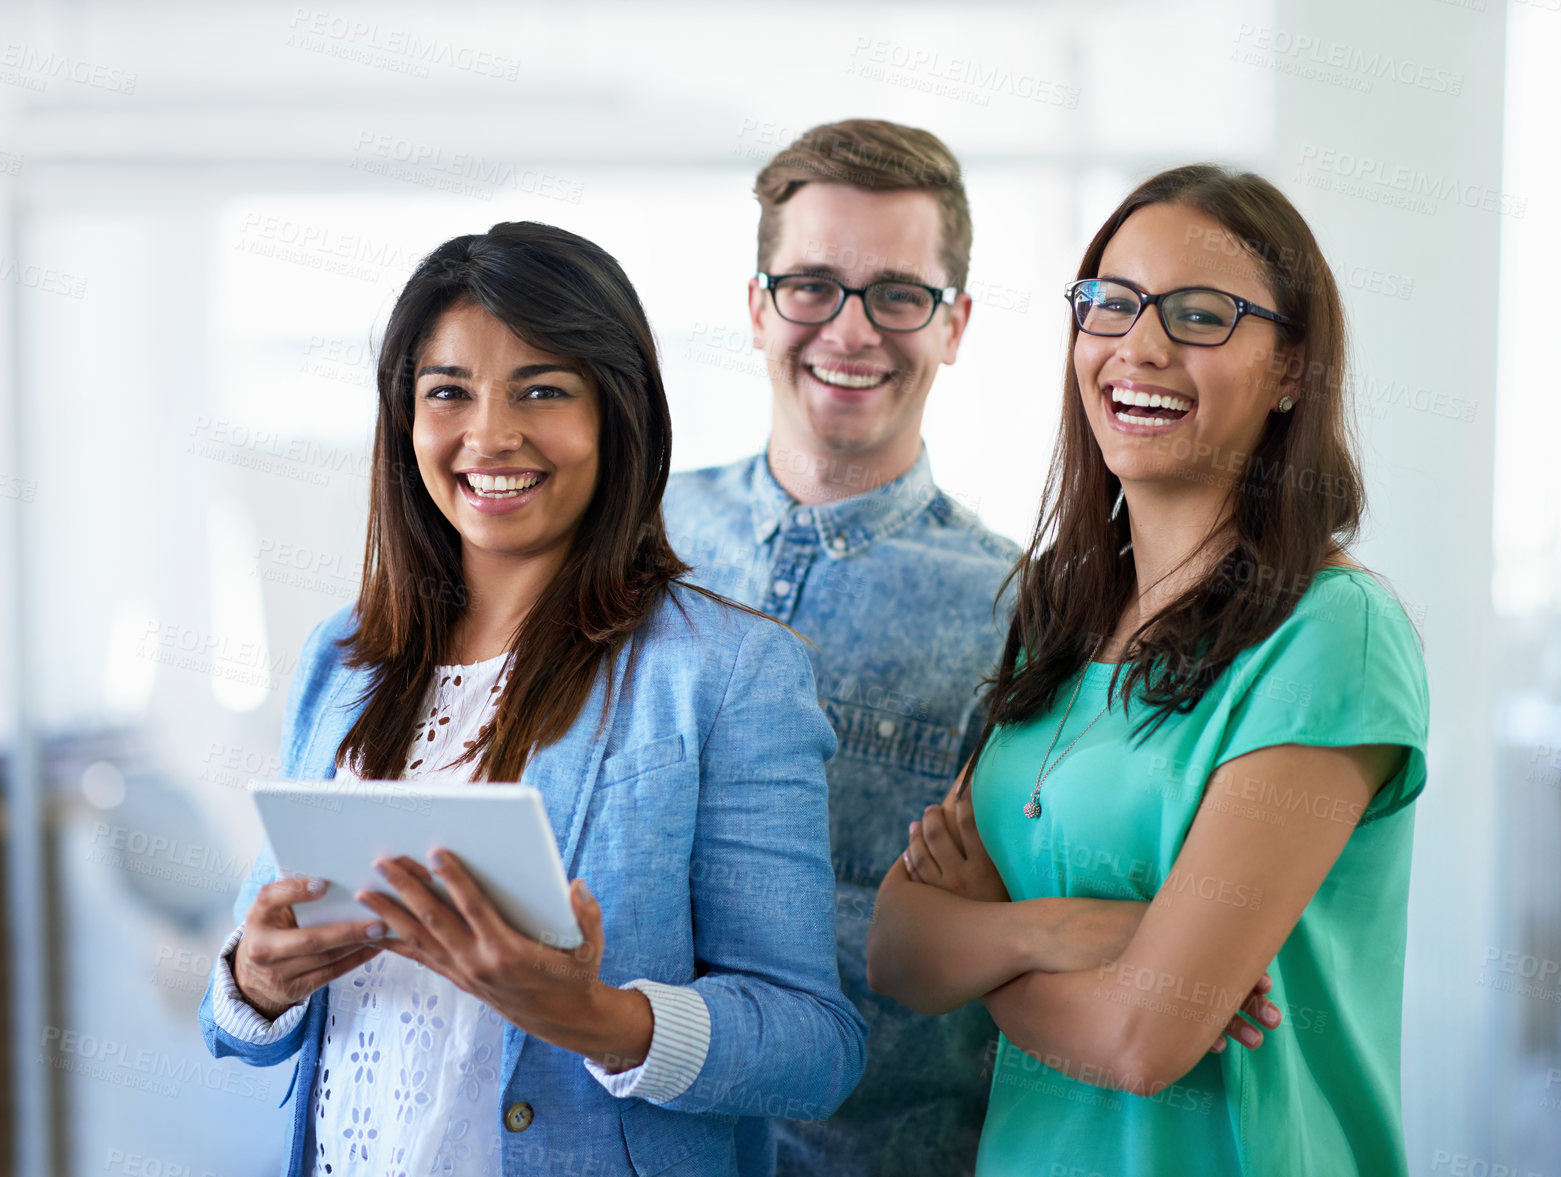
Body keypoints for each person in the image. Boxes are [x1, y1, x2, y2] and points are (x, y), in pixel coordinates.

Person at [197, 221, 866, 1177]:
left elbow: (814, 1050)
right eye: (448, 393)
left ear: (616, 412)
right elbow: (247, 988)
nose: (489, 435)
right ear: (405, 420)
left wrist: (597, 1019)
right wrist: (254, 979)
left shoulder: (725, 672)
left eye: (540, 390)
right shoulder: (342, 660)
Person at [867, 164, 1429, 1175]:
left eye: (1200, 315)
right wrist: (1075, 929)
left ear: (1292, 368)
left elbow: (1141, 1041)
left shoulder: (1330, 635)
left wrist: (986, 946)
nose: (1139, 346)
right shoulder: (1060, 612)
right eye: (1109, 304)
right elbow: (898, 952)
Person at [663, 118, 1019, 1175]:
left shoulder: (1023, 609)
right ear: (755, 307)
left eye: (897, 294)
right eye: (810, 283)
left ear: (953, 324)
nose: (850, 331)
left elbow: (1017, 926)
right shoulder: (631, 546)